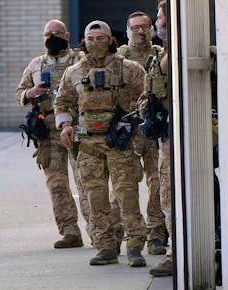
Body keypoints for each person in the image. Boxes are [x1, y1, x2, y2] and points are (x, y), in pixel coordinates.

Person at [54, 21, 149, 267]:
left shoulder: (129, 69)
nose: (95, 42)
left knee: (126, 194)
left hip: (119, 143)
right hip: (88, 145)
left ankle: (135, 245)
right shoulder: (74, 71)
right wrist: (65, 126)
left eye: (100, 38)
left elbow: (147, 97)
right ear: (84, 41)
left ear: (110, 40)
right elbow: (62, 102)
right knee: (95, 197)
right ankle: (105, 246)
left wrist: (136, 123)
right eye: (91, 38)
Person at [15, 19, 88, 249]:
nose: (52, 37)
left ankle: (99, 232)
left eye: (57, 33)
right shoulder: (36, 64)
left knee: (87, 181)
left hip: (78, 128)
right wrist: (31, 92)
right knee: (56, 184)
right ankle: (69, 232)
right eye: (48, 34)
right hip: (48, 131)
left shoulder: (80, 60)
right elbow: (19, 93)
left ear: (67, 35)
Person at [118, 11, 168, 256]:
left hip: (152, 130)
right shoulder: (118, 59)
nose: (140, 31)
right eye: (135, 27)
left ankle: (156, 232)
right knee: (124, 185)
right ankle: (129, 234)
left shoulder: (160, 56)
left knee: (157, 182)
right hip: (126, 132)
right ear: (127, 30)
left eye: (145, 27)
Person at [147, 0, 174, 278]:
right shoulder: (165, 53)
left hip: (174, 137)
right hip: (166, 134)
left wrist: (169, 133)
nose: (158, 20)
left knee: (171, 196)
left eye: (160, 15)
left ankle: (176, 254)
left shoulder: (174, 55)